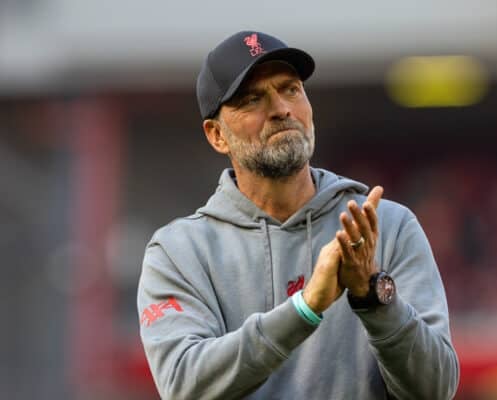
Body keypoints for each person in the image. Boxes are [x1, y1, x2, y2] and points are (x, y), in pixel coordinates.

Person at [137, 31, 459, 400]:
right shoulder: (179, 251)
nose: (281, 109)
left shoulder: (387, 226)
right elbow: (184, 387)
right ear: (216, 135)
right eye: (253, 99)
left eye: (290, 89)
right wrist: (305, 309)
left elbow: (436, 390)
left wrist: (373, 297)